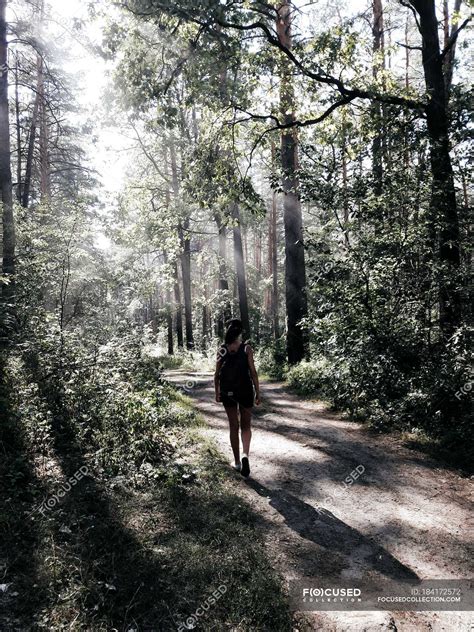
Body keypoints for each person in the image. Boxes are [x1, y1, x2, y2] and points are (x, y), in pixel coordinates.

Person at [214, 319, 260, 478]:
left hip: (228, 392)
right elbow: (253, 373)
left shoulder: (222, 350)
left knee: (233, 426)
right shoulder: (247, 348)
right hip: (245, 391)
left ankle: (237, 463)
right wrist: (258, 392)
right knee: (246, 426)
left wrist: (217, 392)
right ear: (240, 332)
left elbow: (217, 374)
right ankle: (245, 454)